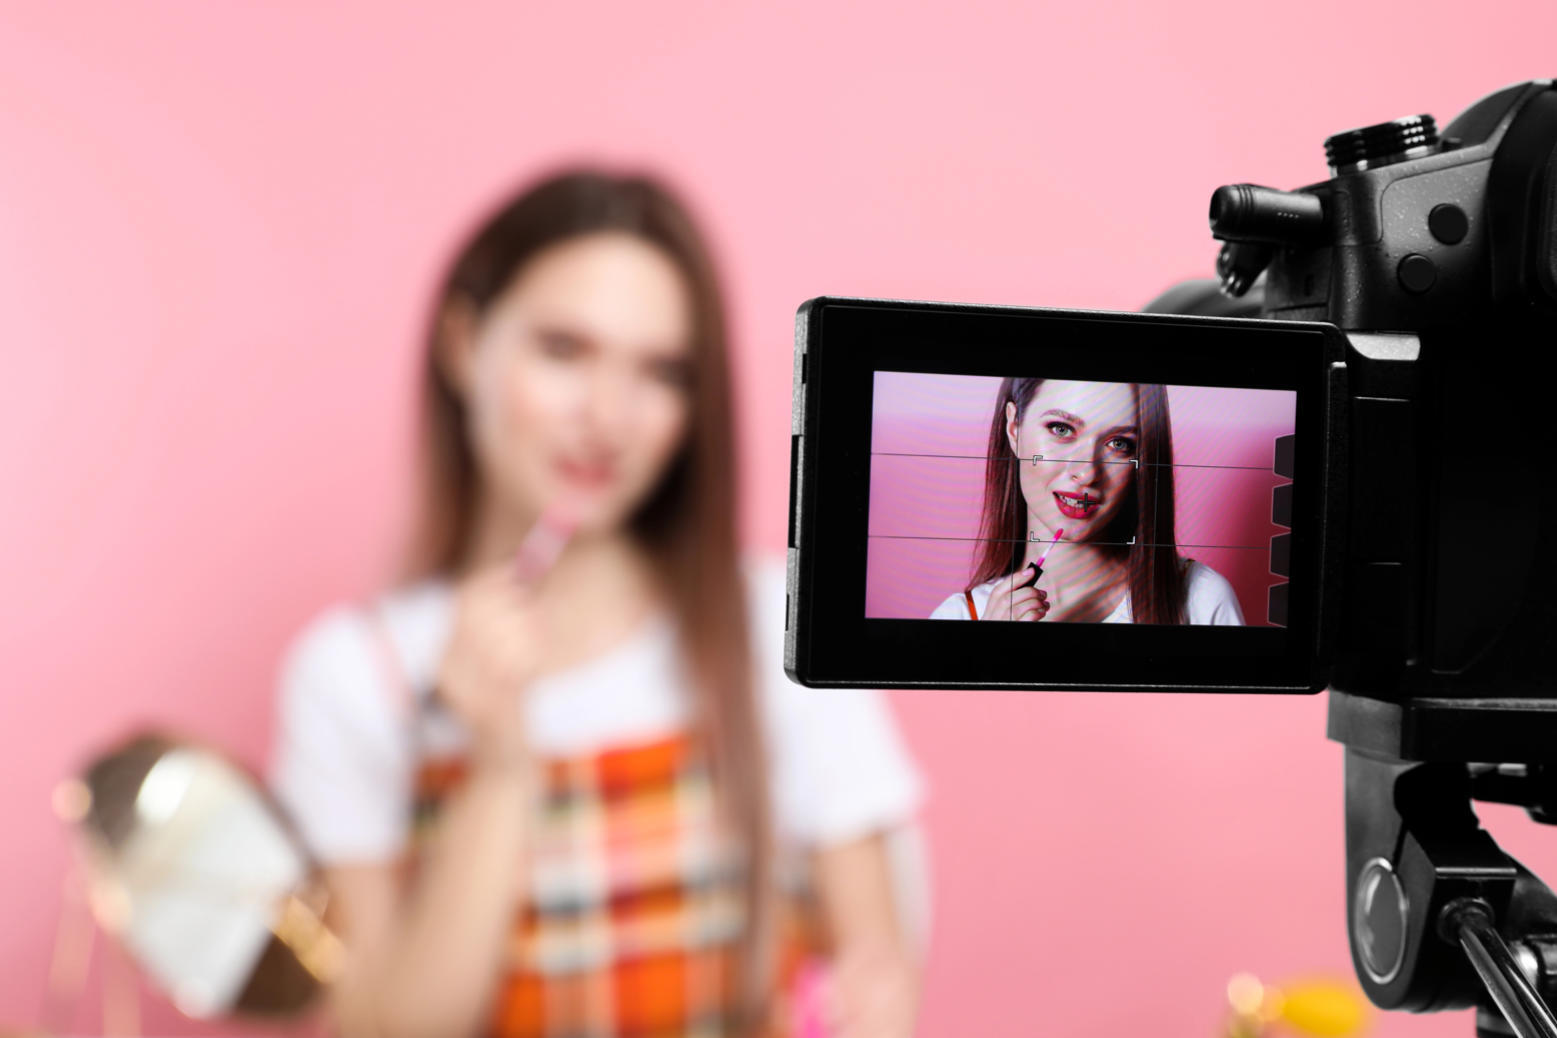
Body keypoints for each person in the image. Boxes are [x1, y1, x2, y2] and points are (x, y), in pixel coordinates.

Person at [269, 171, 926, 1038]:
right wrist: (499, 765)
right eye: (564, 351)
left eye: (661, 372)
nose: (608, 416)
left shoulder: (778, 626)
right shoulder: (357, 676)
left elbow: (874, 977)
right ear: (465, 345)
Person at [930, 377, 1244, 625]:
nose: (1087, 472)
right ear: (1014, 428)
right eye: (1061, 429)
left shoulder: (1201, 599)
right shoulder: (961, 617)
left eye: (1119, 444)